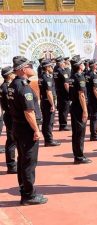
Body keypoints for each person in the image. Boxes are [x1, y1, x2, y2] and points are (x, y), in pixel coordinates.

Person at [8, 56, 47, 205]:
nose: (32, 68)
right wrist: (36, 130)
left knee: (22, 161)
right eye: (30, 66)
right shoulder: (23, 87)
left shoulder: (13, 84)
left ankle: (25, 191)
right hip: (26, 130)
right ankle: (29, 195)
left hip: (18, 127)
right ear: (23, 69)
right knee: (29, 162)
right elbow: (29, 112)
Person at [69, 55, 91, 164]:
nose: (83, 65)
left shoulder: (72, 76)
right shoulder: (80, 77)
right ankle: (79, 156)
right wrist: (85, 111)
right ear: (79, 66)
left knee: (76, 133)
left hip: (74, 106)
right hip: (79, 107)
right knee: (80, 133)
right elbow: (81, 95)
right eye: (82, 63)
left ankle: (77, 154)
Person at [38, 59, 61, 147]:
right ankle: (49, 140)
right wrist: (52, 104)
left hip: (44, 101)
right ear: (47, 67)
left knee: (46, 121)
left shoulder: (42, 76)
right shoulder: (47, 77)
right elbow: (49, 92)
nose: (52, 67)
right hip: (48, 102)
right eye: (51, 66)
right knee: (49, 122)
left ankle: (48, 139)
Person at [0, 66, 17, 173]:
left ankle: (11, 164)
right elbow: (10, 104)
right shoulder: (7, 88)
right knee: (11, 140)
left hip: (8, 115)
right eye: (12, 73)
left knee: (12, 139)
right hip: (11, 116)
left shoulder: (3, 86)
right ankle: (11, 165)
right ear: (9, 75)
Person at [85, 59, 97, 141]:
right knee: (95, 117)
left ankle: (93, 134)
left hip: (89, 98)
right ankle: (94, 135)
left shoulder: (87, 74)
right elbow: (95, 89)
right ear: (94, 66)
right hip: (94, 99)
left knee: (92, 117)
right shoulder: (94, 75)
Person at [53, 56, 71, 131]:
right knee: (64, 109)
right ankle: (63, 125)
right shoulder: (62, 71)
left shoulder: (56, 69)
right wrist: (70, 93)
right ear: (61, 63)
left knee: (61, 109)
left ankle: (62, 124)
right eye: (63, 62)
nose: (64, 63)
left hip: (58, 91)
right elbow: (66, 84)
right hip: (64, 93)